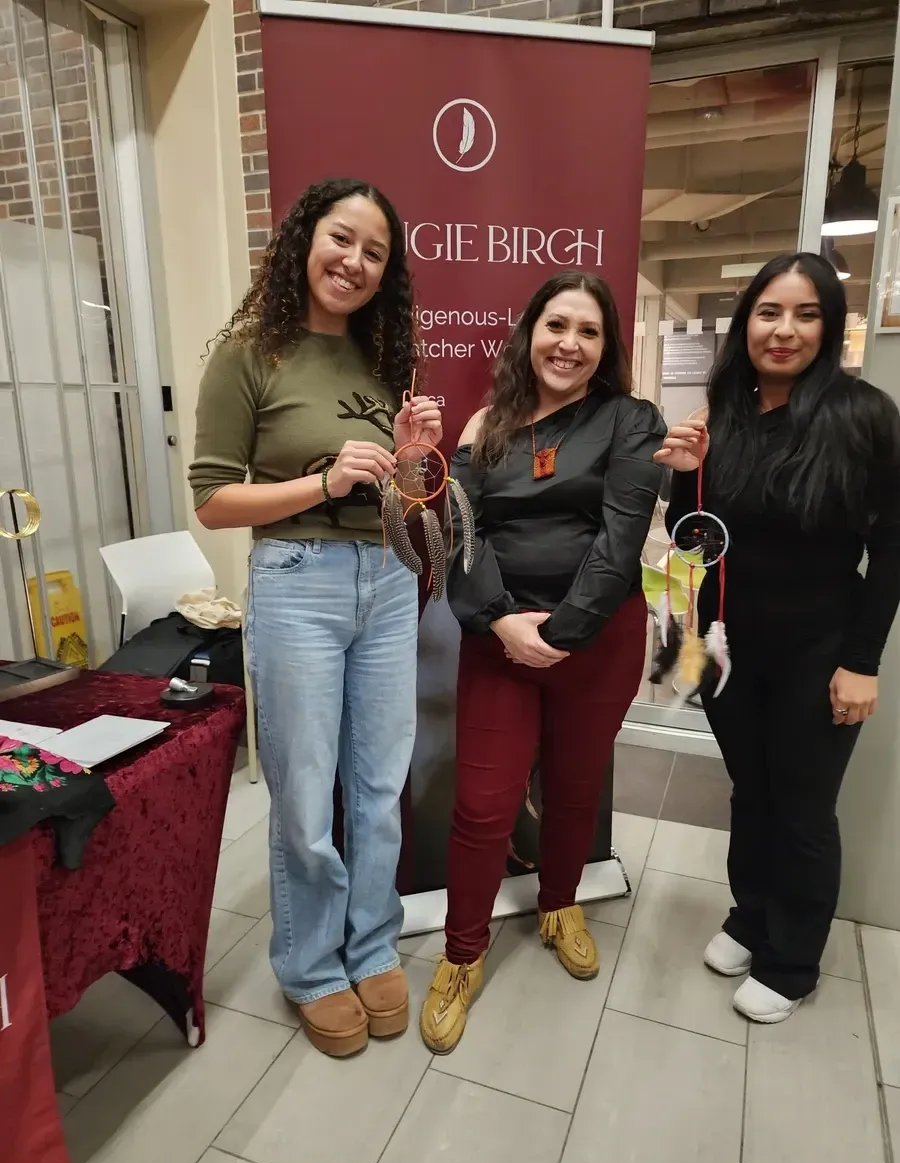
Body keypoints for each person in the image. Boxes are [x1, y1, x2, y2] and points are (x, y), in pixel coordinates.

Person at [189, 178, 442, 1057]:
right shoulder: (248, 355)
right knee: (304, 790)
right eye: (342, 238)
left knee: (378, 785)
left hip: (386, 580)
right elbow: (213, 501)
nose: (355, 262)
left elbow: (397, 498)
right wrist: (324, 483)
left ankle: (371, 946)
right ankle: (309, 965)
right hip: (297, 581)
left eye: (375, 253)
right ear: (305, 238)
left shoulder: (381, 361)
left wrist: (407, 458)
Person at [419, 270, 666, 1054]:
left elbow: (621, 539)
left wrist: (560, 632)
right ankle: (462, 954)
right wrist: (501, 621)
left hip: (599, 639)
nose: (570, 344)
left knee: (573, 788)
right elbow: (459, 531)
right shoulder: (484, 424)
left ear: (606, 346)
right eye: (557, 325)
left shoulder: (631, 420)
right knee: (483, 806)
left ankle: (559, 903)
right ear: (531, 332)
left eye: (589, 331)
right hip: (498, 642)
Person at [656, 252, 900, 1024]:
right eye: (769, 312)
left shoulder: (863, 415)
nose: (784, 330)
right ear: (746, 323)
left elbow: (892, 546)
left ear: (829, 327)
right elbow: (696, 535)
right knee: (751, 792)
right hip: (730, 648)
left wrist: (861, 663)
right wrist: (684, 474)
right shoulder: (724, 412)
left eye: (806, 314)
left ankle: (792, 960)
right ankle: (752, 917)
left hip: (818, 651)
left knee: (802, 808)